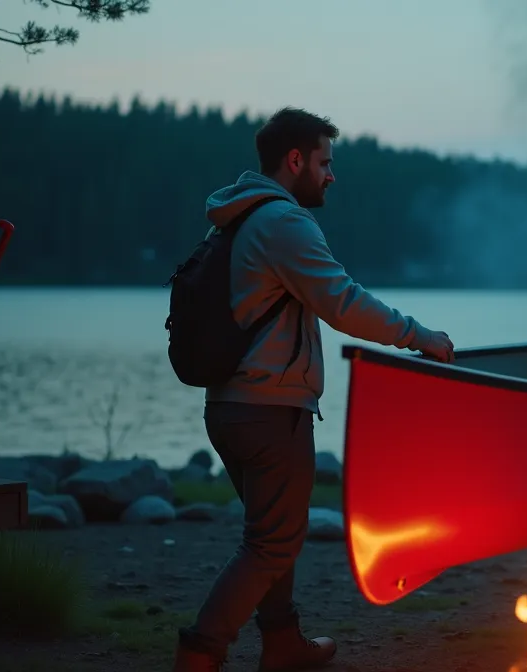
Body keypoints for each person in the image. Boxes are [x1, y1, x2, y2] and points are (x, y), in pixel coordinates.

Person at [173, 107, 456, 672]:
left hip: (228, 406)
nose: (331, 175)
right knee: (271, 543)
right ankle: (199, 655)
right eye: (325, 163)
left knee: (271, 535)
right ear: (295, 160)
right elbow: (343, 302)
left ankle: (282, 643)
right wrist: (419, 336)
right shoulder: (283, 222)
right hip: (269, 409)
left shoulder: (233, 219)